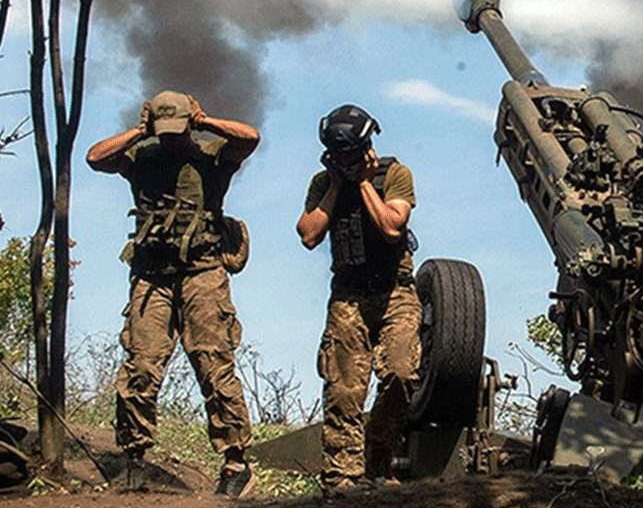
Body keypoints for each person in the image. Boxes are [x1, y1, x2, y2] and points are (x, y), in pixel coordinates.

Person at [85, 90, 258, 498]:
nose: (171, 139)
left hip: (203, 274)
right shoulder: (140, 157)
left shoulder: (212, 155)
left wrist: (206, 121)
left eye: (177, 130)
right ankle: (135, 460)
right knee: (140, 368)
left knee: (214, 366)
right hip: (152, 278)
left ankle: (236, 464)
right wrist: (139, 132)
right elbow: (95, 158)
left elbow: (250, 138)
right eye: (163, 132)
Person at [296, 104, 421, 492]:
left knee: (401, 373)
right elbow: (308, 234)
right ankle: (342, 478)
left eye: (351, 154)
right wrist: (336, 186)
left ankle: (376, 461)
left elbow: (391, 227)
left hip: (395, 291)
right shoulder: (323, 183)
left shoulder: (394, 175)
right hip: (348, 295)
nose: (346, 161)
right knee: (344, 389)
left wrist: (365, 183)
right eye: (338, 156)